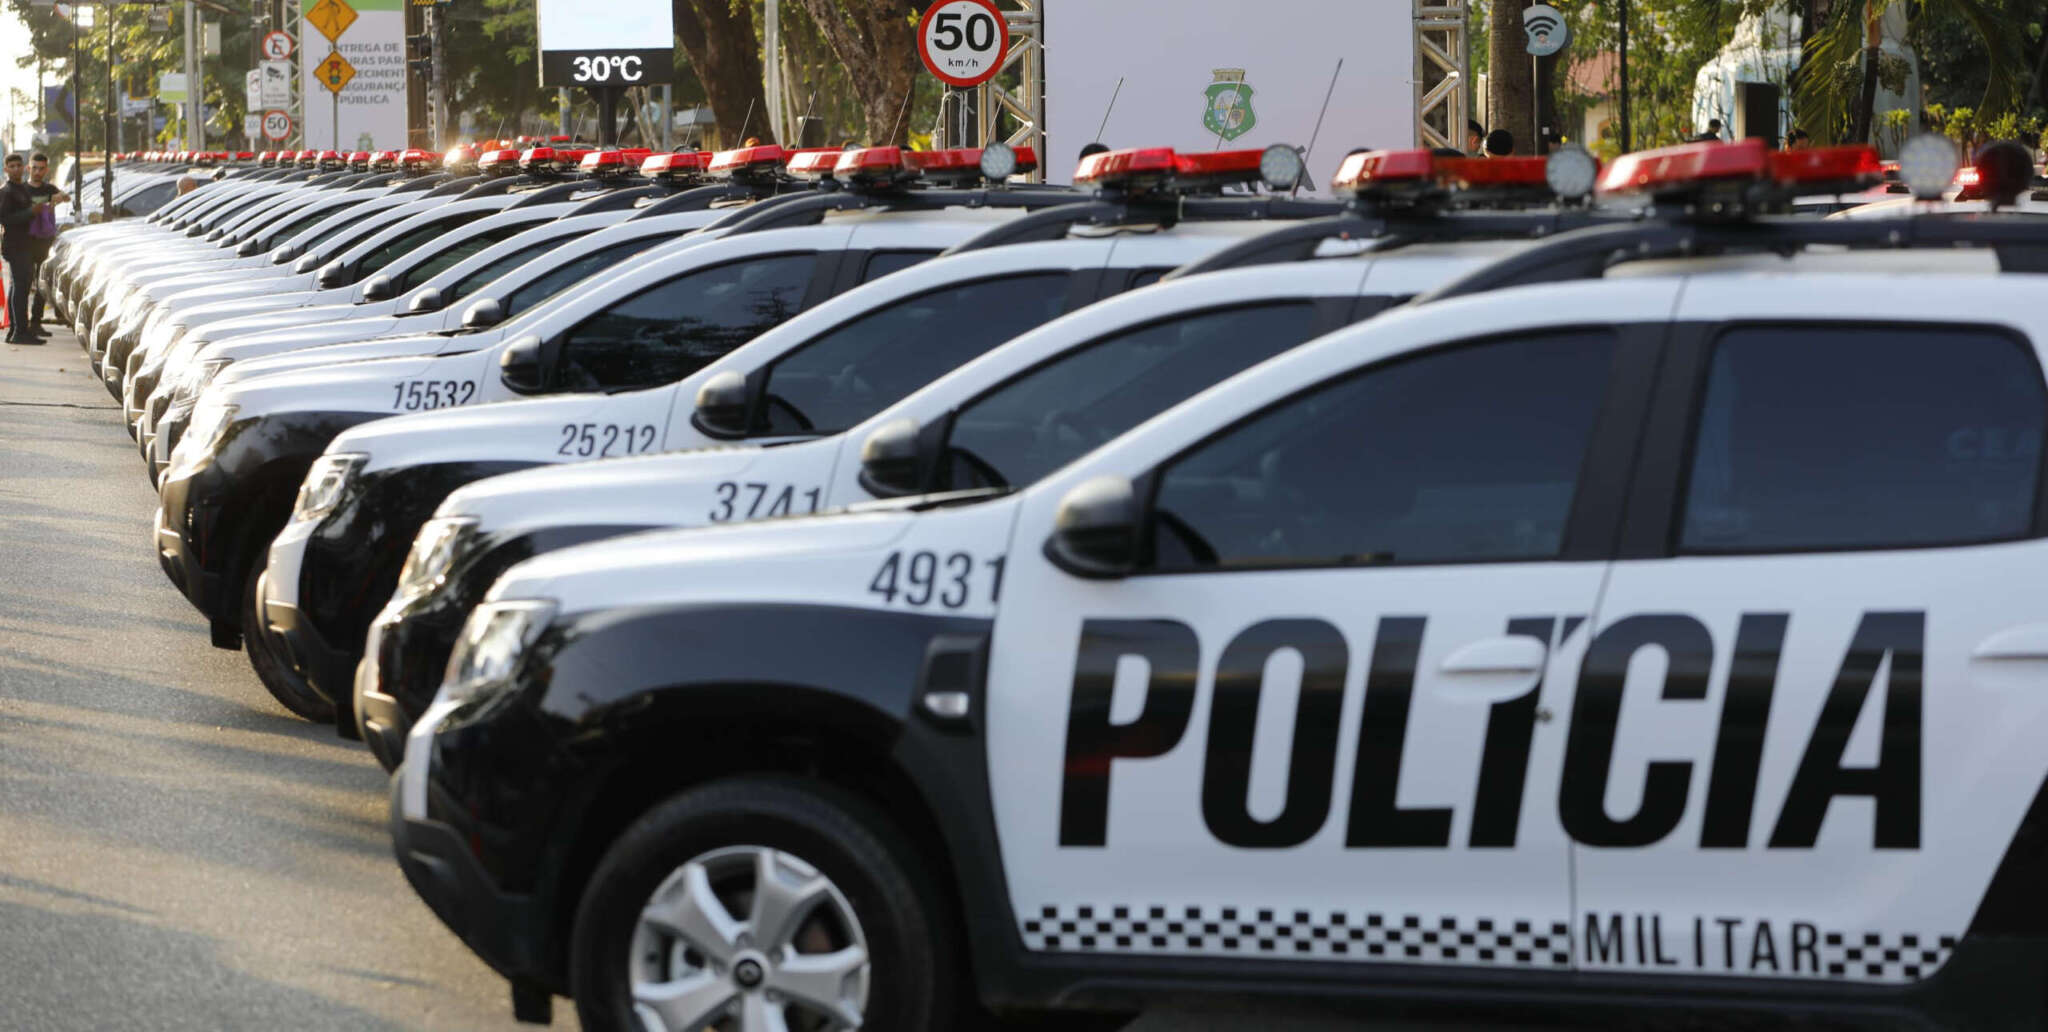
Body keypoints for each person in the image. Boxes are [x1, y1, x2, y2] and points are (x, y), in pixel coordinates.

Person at [0, 153, 47, 344]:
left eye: (18, 165)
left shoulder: (21, 189)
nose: (16, 169)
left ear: (23, 167)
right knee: (20, 288)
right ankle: (20, 331)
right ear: (6, 169)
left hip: (26, 244)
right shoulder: (7, 191)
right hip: (15, 245)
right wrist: (30, 212)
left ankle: (16, 330)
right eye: (12, 166)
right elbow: (5, 219)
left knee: (20, 287)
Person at [23, 152, 67, 337]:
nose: (37, 172)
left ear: (46, 170)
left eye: (41, 169)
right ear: (28, 168)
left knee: (42, 284)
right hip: (25, 242)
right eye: (34, 168)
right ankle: (21, 323)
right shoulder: (22, 189)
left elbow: (66, 197)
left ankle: (36, 322)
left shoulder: (49, 188)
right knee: (23, 284)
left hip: (44, 242)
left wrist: (59, 197)